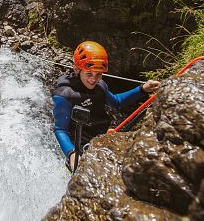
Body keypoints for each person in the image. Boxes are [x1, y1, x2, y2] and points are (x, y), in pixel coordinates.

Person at [52, 41, 160, 172]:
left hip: (100, 141)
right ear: (76, 69)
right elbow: (60, 130)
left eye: (98, 74)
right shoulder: (64, 95)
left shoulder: (100, 86)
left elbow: (116, 102)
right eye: (89, 74)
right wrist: (72, 154)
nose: (94, 79)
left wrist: (142, 89)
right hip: (79, 149)